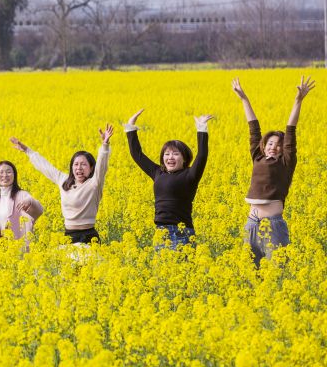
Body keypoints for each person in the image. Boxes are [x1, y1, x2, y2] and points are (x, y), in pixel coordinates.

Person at [232, 76, 315, 266]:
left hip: (274, 224)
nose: (273, 147)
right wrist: (244, 99)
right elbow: (253, 128)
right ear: (263, 146)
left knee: (278, 271)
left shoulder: (286, 163)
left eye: (278, 145)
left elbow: (291, 131)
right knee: (250, 273)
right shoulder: (257, 157)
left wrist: (298, 100)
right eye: (270, 143)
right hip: (251, 223)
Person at [123, 109, 213, 249]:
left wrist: (201, 128)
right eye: (167, 154)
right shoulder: (158, 173)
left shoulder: (190, 175)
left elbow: (202, 155)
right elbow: (137, 155)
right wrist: (130, 127)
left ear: (184, 159)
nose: (170, 157)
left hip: (181, 232)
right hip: (160, 233)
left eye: (175, 154)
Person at [10, 124, 113, 244]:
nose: (79, 168)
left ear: (91, 168)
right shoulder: (63, 181)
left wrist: (105, 145)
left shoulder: (94, 184)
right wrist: (27, 151)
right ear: (72, 167)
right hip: (69, 236)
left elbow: (102, 166)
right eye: (76, 164)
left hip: (90, 236)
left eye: (83, 164)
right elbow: (46, 167)